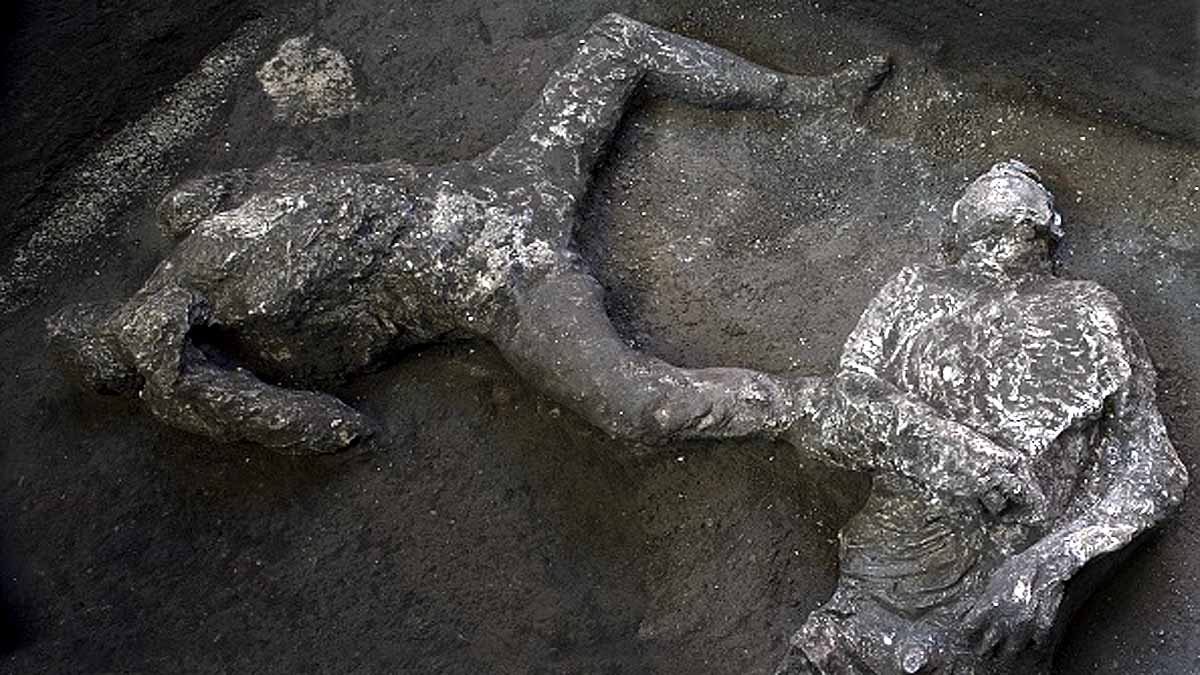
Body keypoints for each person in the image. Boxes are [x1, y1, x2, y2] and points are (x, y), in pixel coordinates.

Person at [45, 14, 1037, 516]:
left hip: (504, 252)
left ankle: (800, 109)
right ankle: (832, 404)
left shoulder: (194, 268)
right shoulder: (198, 239)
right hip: (500, 231)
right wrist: (189, 377)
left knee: (637, 403)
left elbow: (330, 427)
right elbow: (320, 423)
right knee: (635, 399)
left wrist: (183, 377)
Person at [776, 161, 1189, 674]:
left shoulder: (1092, 311)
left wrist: (1043, 570)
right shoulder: (913, 289)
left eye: (1024, 184)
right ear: (953, 227)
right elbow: (850, 402)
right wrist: (955, 452)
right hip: (871, 598)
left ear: (1049, 225)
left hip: (987, 619)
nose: (1004, 171)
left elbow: (1153, 473)